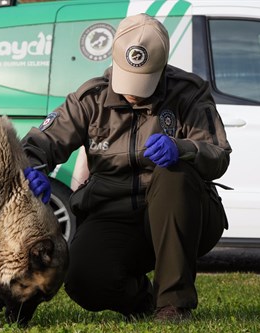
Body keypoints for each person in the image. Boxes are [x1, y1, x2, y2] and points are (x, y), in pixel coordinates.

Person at [21, 13, 232, 322]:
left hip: (182, 216)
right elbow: (41, 141)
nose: (132, 93)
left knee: (175, 174)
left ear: (162, 69)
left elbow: (219, 155)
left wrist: (183, 149)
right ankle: (143, 301)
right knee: (83, 280)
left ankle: (173, 305)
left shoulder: (189, 93)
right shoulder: (91, 98)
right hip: (113, 213)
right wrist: (32, 167)